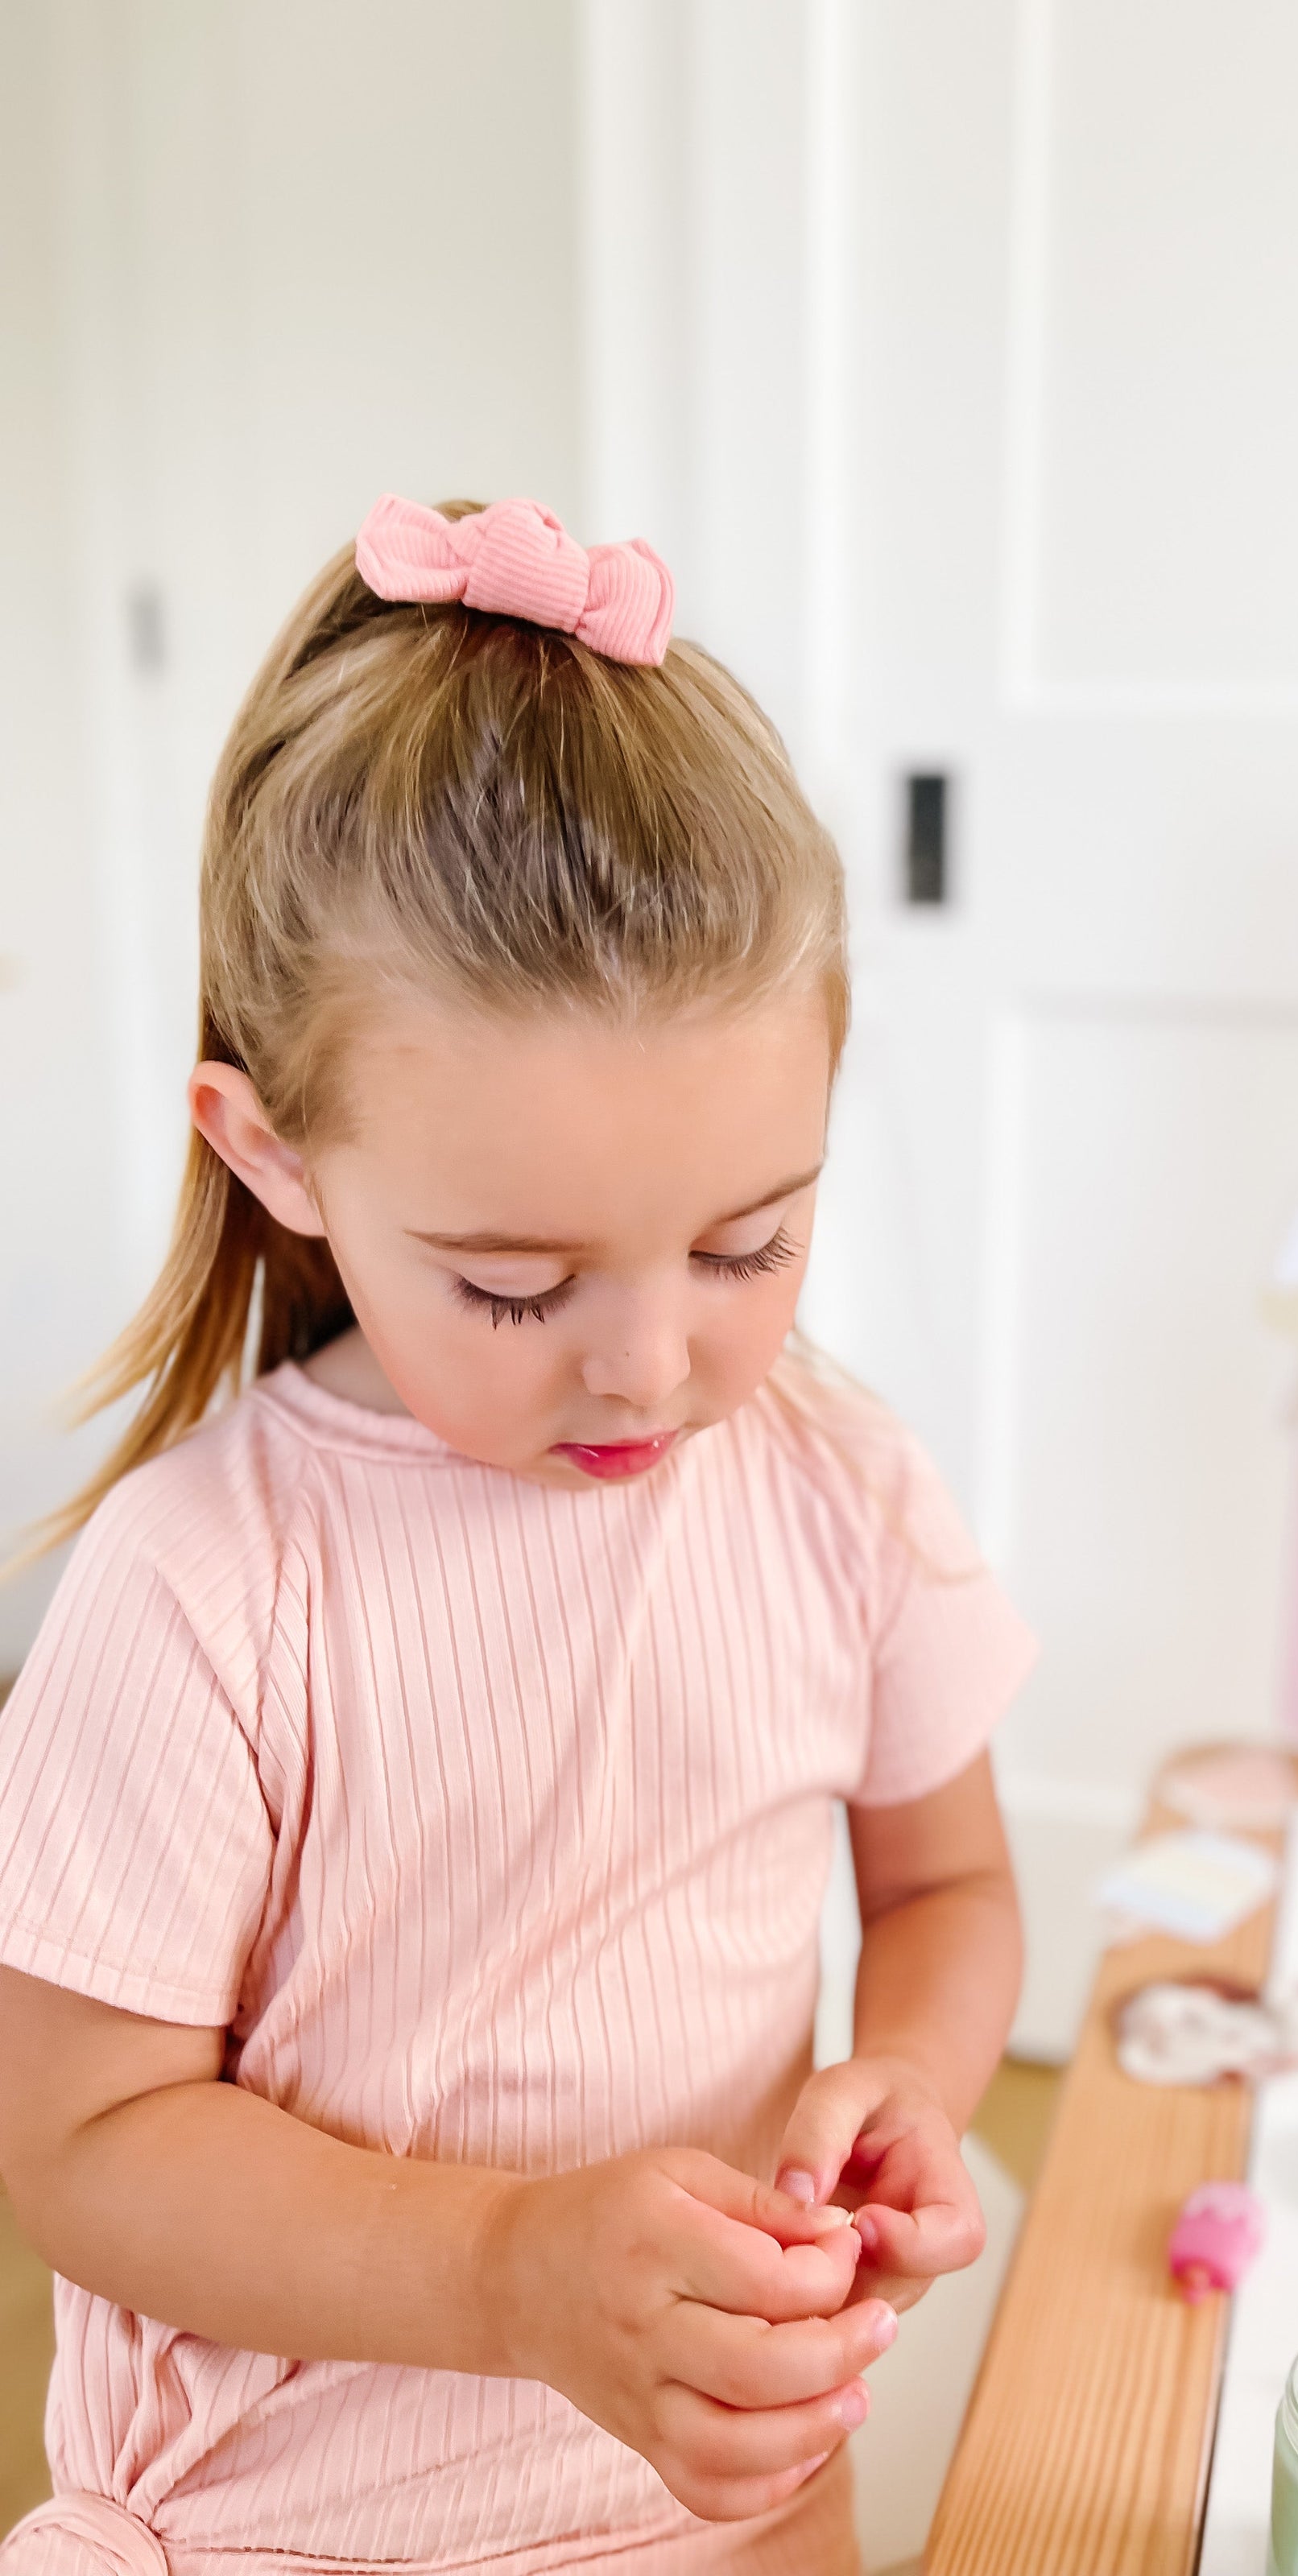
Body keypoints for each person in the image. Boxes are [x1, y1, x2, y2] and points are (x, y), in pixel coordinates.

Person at [0, 496, 1033, 2576]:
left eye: (751, 1242)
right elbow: (80, 2140)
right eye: (513, 1285)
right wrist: (506, 2274)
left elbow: (949, 1885)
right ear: (275, 1149)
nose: (651, 1368)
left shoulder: (840, 1492)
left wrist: (913, 2075)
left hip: (731, 2494)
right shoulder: (206, 1590)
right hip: (297, 2537)